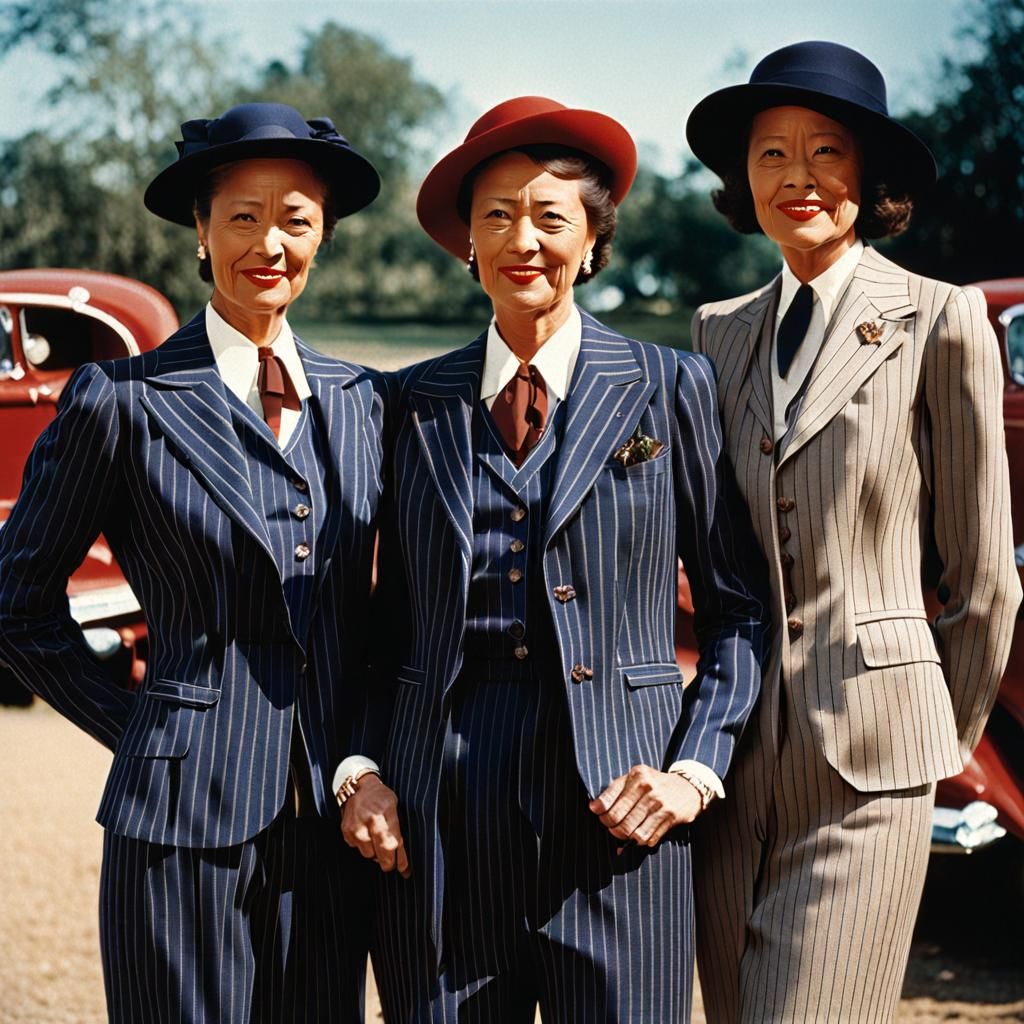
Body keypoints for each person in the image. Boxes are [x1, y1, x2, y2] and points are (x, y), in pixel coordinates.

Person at [334, 95, 768, 1022]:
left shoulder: (670, 386)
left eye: (549, 216)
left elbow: (738, 609)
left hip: (623, 815)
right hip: (438, 817)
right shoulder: (407, 403)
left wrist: (692, 772)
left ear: (594, 237)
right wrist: (360, 767)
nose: (522, 239)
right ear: (467, 239)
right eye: (496, 215)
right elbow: (376, 624)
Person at [0, 102, 384, 1023]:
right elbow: (15, 603)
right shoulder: (121, 401)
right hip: (175, 820)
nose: (270, 243)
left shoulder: (369, 402)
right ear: (202, 232)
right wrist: (138, 727)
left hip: (333, 829)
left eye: (296, 220)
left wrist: (368, 762)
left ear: (323, 237)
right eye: (243, 216)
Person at [684, 41, 1021, 1023]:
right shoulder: (715, 331)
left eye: (824, 151)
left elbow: (985, 577)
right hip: (731, 762)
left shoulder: (939, 319)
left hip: (873, 761)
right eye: (771, 154)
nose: (797, 177)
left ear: (869, 177)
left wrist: (931, 742)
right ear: (744, 180)